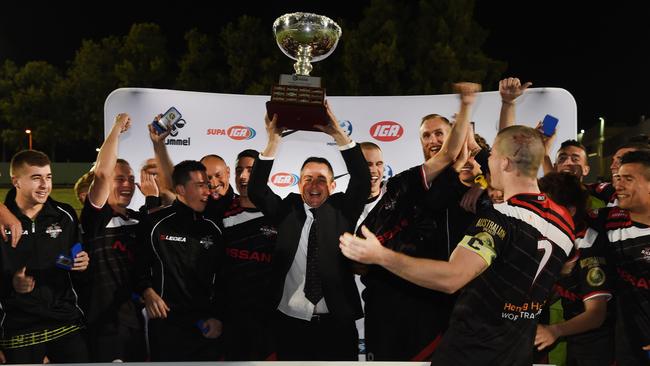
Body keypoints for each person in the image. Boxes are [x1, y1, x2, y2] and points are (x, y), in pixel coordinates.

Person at [340, 125, 576, 365]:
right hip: (517, 354)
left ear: (504, 163)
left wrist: (381, 256)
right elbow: (566, 268)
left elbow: (451, 279)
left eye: (491, 155)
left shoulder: (499, 219)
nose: (487, 161)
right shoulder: (564, 221)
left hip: (471, 353)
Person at [356, 82, 479, 361]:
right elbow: (360, 260)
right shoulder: (406, 183)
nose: (433, 140)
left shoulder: (482, 190)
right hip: (390, 307)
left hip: (444, 308)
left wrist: (482, 186)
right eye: (426, 135)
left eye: (440, 133)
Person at [248, 102, 371, 361]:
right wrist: (273, 141)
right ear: (299, 183)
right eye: (307, 179)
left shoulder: (343, 210)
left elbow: (361, 179)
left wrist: (338, 133)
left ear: (333, 185)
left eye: (321, 179)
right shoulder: (287, 209)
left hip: (337, 324)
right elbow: (257, 190)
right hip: (290, 324)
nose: (314, 185)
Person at [0, 149, 90, 363]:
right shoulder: (3, 221)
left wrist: (82, 264)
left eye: (48, 177)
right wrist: (12, 282)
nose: (45, 185)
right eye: (36, 178)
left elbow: (68, 261)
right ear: (16, 181)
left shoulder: (64, 214)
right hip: (18, 330)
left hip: (65, 323)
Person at [136, 160, 225, 361]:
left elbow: (223, 279)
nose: (206, 192)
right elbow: (137, 268)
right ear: (180, 189)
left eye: (207, 185)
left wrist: (218, 317)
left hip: (205, 326)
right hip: (167, 327)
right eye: (200, 185)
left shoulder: (214, 228)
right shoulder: (154, 224)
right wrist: (147, 291)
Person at [78, 113, 146, 362]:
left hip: (137, 320)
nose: (127, 183)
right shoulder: (95, 219)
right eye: (120, 178)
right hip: (103, 324)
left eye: (130, 178)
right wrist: (117, 129)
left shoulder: (138, 219)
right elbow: (103, 174)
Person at [535, 172, 614, 366]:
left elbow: (596, 314)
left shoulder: (588, 244)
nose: (536, 212)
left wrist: (554, 331)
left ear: (569, 211)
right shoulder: (552, 240)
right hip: (572, 336)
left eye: (545, 207)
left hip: (598, 343)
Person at [221, 149, 277, 360]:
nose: (243, 176)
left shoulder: (278, 212)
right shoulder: (222, 211)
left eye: (251, 170)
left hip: (269, 320)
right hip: (231, 318)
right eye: (238, 170)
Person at [597, 150, 650, 365]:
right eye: (619, 178)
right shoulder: (608, 221)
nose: (619, 185)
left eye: (628, 179)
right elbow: (565, 195)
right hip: (626, 345)